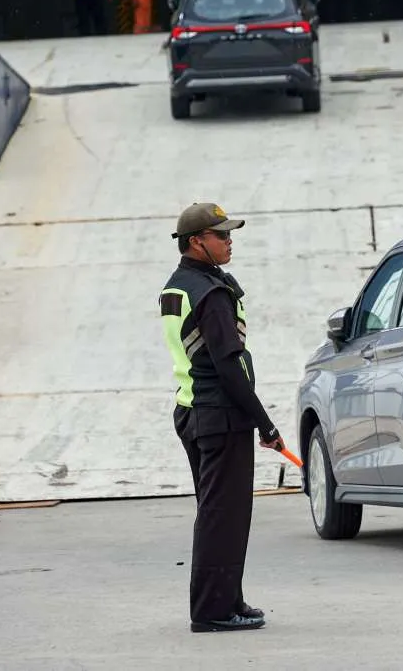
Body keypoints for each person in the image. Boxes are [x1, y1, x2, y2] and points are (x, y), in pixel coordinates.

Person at [159, 202, 286, 634]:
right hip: (220, 414)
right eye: (222, 236)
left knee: (219, 512)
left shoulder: (178, 286)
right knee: (223, 515)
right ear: (198, 242)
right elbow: (229, 366)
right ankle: (212, 610)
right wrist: (264, 423)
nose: (230, 242)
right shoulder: (210, 296)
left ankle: (228, 598)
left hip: (192, 409)